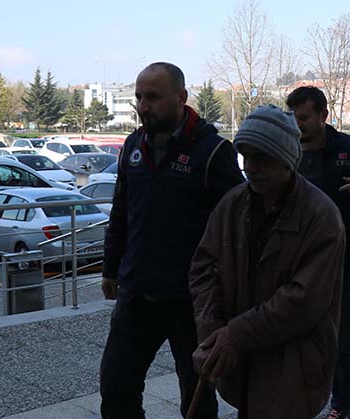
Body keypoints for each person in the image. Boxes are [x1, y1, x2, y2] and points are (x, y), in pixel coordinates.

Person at [99, 62, 245, 419]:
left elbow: (237, 227)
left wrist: (226, 295)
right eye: (139, 97)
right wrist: (110, 267)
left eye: (153, 97)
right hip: (136, 295)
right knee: (116, 388)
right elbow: (121, 211)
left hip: (191, 302)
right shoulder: (133, 146)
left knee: (196, 400)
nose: (143, 106)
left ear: (181, 98)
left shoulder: (213, 152)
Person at [189, 104, 346, 419]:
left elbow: (304, 300)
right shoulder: (233, 204)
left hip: (294, 361)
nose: (250, 167)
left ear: (286, 160)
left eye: (262, 158)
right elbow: (204, 268)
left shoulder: (321, 217)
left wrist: (235, 334)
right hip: (242, 362)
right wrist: (212, 330)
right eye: (246, 157)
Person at [286, 86, 350, 419]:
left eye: (304, 117)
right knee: (298, 331)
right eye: (294, 118)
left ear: (324, 115)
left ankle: (341, 404)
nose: (298, 124)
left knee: (341, 335)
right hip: (298, 261)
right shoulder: (288, 151)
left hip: (345, 262)